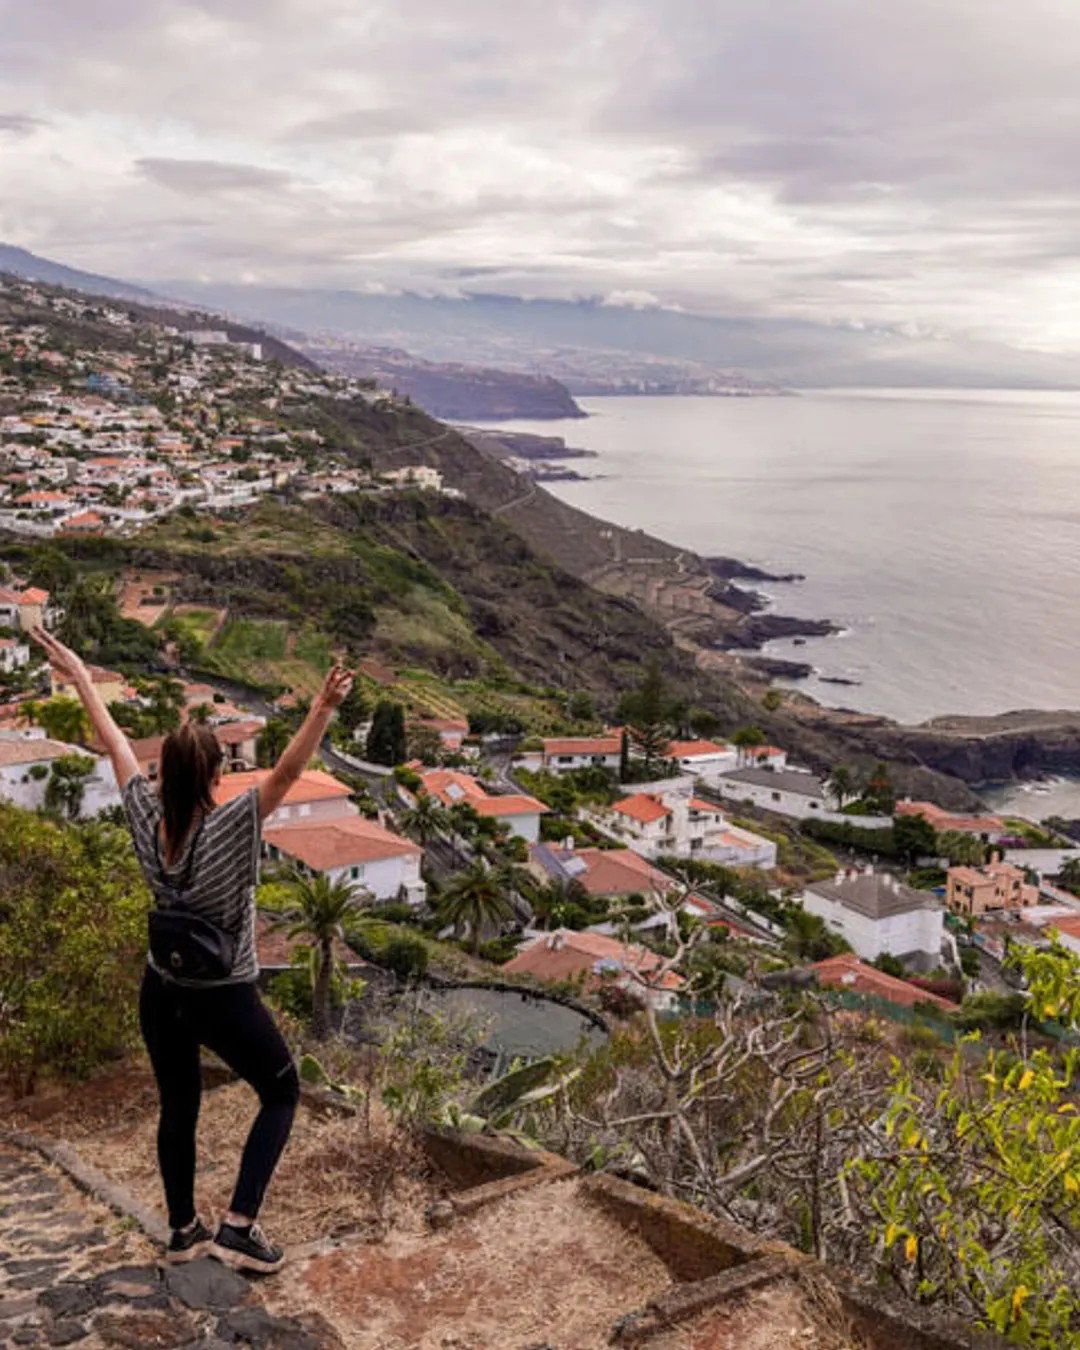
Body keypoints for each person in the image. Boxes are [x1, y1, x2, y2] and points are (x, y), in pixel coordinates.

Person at [32, 626, 355, 1274]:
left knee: (178, 1104)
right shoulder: (232, 826)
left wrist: (80, 676)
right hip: (223, 994)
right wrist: (322, 709)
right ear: (213, 773)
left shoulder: (144, 820)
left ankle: (183, 1230)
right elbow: (289, 771)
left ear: (165, 774)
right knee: (282, 1092)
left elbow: (114, 742)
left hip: (163, 990)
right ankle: (239, 1225)